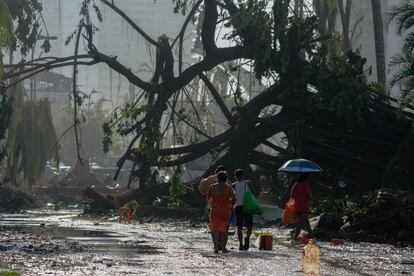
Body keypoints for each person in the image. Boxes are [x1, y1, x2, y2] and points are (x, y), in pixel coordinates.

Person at [208, 171, 236, 253]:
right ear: (226, 179)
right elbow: (234, 199)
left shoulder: (212, 187)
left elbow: (209, 198)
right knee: (224, 230)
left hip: (215, 211)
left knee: (215, 229)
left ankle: (216, 248)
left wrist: (213, 204)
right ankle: (223, 248)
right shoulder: (229, 188)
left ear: (217, 178)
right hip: (226, 211)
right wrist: (231, 206)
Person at [233, 169, 254, 251]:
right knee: (249, 226)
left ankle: (241, 244)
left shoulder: (233, 185)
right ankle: (247, 238)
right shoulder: (248, 183)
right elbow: (254, 193)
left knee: (239, 226)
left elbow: (233, 197)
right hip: (248, 206)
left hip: (238, 207)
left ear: (235, 176)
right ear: (243, 175)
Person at [290, 172, 313, 241]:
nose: (308, 180)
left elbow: (291, 195)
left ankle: (312, 235)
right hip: (304, 206)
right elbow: (309, 196)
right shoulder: (305, 185)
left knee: (306, 221)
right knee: (301, 223)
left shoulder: (295, 184)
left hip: (297, 206)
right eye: (308, 179)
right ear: (306, 178)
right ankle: (295, 238)